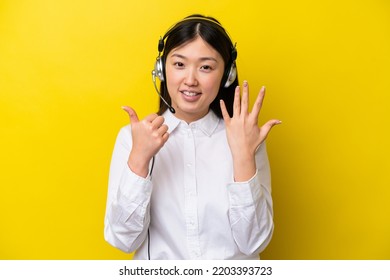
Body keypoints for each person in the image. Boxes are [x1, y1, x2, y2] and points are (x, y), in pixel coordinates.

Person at [104, 14, 281, 260]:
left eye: (206, 67)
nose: (190, 80)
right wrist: (139, 161)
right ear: (161, 69)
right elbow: (122, 239)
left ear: (227, 75)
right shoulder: (132, 139)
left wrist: (243, 157)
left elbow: (254, 242)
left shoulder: (246, 139)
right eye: (179, 64)